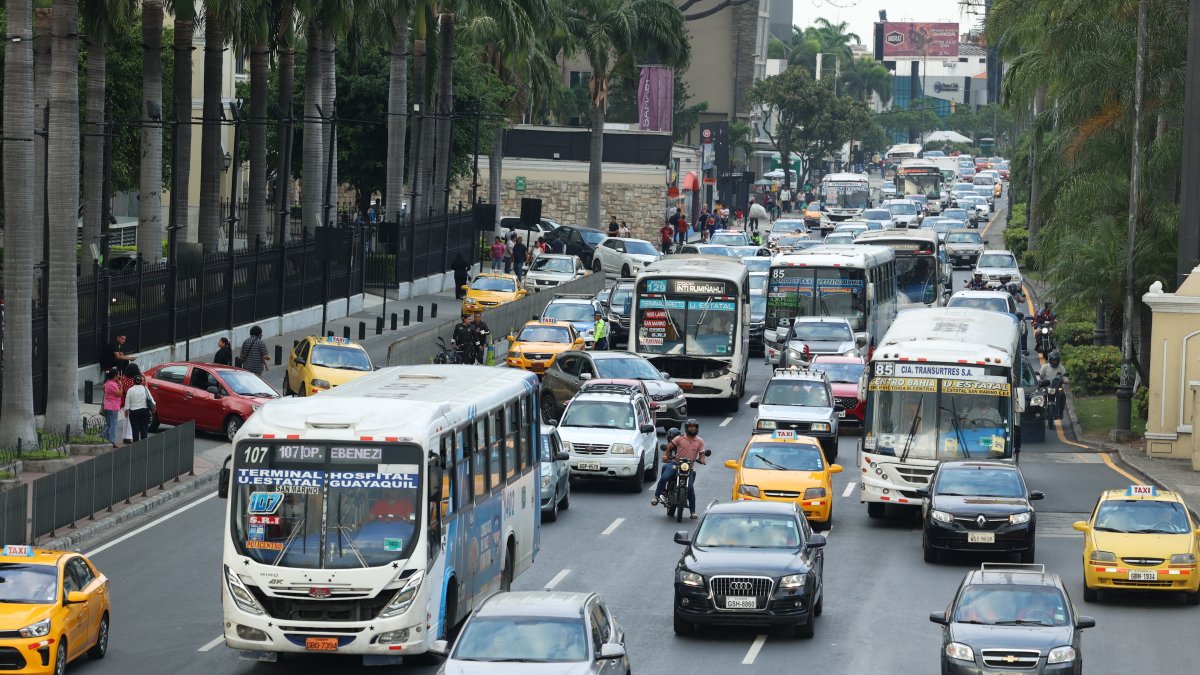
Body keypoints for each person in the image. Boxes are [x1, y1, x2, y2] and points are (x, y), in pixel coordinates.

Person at [651, 419, 706, 519]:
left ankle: (692, 512)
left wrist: (702, 459)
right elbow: (669, 447)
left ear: (697, 428)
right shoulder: (679, 438)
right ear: (686, 428)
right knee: (664, 478)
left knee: (690, 488)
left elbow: (702, 454)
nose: (692, 429)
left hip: (689, 467)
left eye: (694, 427)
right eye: (690, 427)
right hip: (676, 464)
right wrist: (665, 455)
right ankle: (656, 497)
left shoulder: (700, 441)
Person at [123, 375, 155, 442]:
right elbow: (151, 399)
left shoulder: (130, 390)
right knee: (144, 429)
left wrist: (126, 412)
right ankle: (144, 444)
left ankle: (136, 445)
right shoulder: (145, 389)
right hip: (145, 412)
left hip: (134, 412)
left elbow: (127, 402)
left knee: (135, 429)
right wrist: (154, 407)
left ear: (133, 382)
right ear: (141, 381)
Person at [1039, 351, 1068, 419]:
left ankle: (1061, 412)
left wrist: (1065, 380)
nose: (1054, 362)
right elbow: (1040, 375)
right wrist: (1039, 379)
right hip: (1047, 387)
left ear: (1058, 360)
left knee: (1063, 395)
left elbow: (1065, 377)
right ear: (1050, 360)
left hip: (1058, 387)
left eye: (1056, 360)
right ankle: (1040, 412)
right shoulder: (1045, 367)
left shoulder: (1061, 368)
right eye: (1053, 360)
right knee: (1040, 396)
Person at [101, 368, 123, 447]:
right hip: (113, 407)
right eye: (118, 375)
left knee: (108, 424)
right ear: (115, 376)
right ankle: (112, 441)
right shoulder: (112, 384)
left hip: (108, 405)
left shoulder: (108, 382)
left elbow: (103, 387)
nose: (119, 376)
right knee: (113, 424)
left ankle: (104, 438)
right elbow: (120, 394)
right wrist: (121, 385)